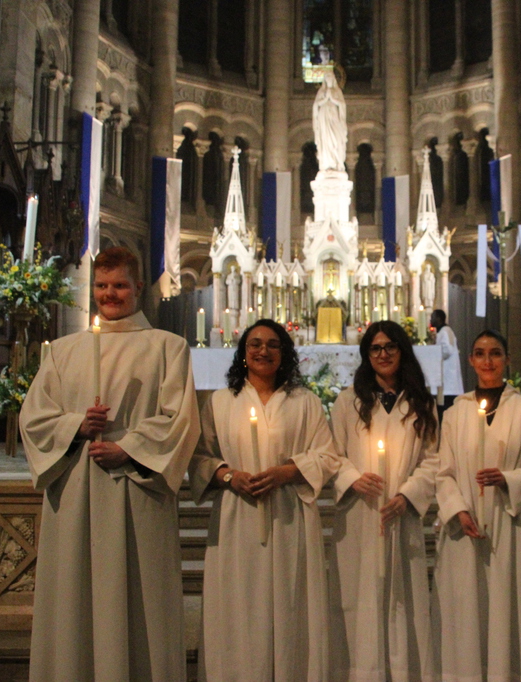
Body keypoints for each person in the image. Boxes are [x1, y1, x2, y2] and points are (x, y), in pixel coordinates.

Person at [20, 246, 200, 682]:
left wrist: (129, 449)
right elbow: (34, 418)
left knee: (141, 594)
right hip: (76, 492)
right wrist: (76, 425)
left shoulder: (167, 348)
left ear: (137, 287)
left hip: (136, 493)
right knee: (75, 593)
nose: (109, 294)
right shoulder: (63, 351)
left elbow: (180, 420)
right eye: (101, 286)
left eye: (119, 285)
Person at [189, 319, 340, 682]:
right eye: (255, 344)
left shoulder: (305, 402)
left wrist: (287, 471)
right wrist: (230, 476)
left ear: (284, 353)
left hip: (289, 514)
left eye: (273, 345)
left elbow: (328, 456)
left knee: (290, 599)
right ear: (243, 353)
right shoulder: (221, 402)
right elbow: (200, 458)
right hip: (236, 515)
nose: (263, 351)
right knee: (239, 600)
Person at [433, 330, 521, 682]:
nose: (488, 361)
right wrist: (458, 509)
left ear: (507, 360)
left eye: (495, 353)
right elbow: (443, 472)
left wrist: (508, 479)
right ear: (470, 360)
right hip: (464, 525)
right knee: (465, 609)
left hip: (508, 525)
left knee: (507, 608)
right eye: (480, 353)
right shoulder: (455, 414)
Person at [327, 320, 439, 681]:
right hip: (358, 514)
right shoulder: (348, 401)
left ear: (402, 351)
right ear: (366, 355)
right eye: (375, 348)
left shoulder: (422, 403)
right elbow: (332, 454)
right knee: (356, 596)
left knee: (404, 600)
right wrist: (353, 478)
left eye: (390, 346)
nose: (383, 354)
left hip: (401, 515)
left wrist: (408, 494)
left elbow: (433, 460)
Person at [430, 309, 464, 418]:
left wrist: (432, 352)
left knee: (446, 412)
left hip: (448, 380)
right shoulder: (444, 331)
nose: (431, 320)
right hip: (447, 379)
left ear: (439, 318)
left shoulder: (445, 331)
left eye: (432, 317)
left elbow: (447, 350)